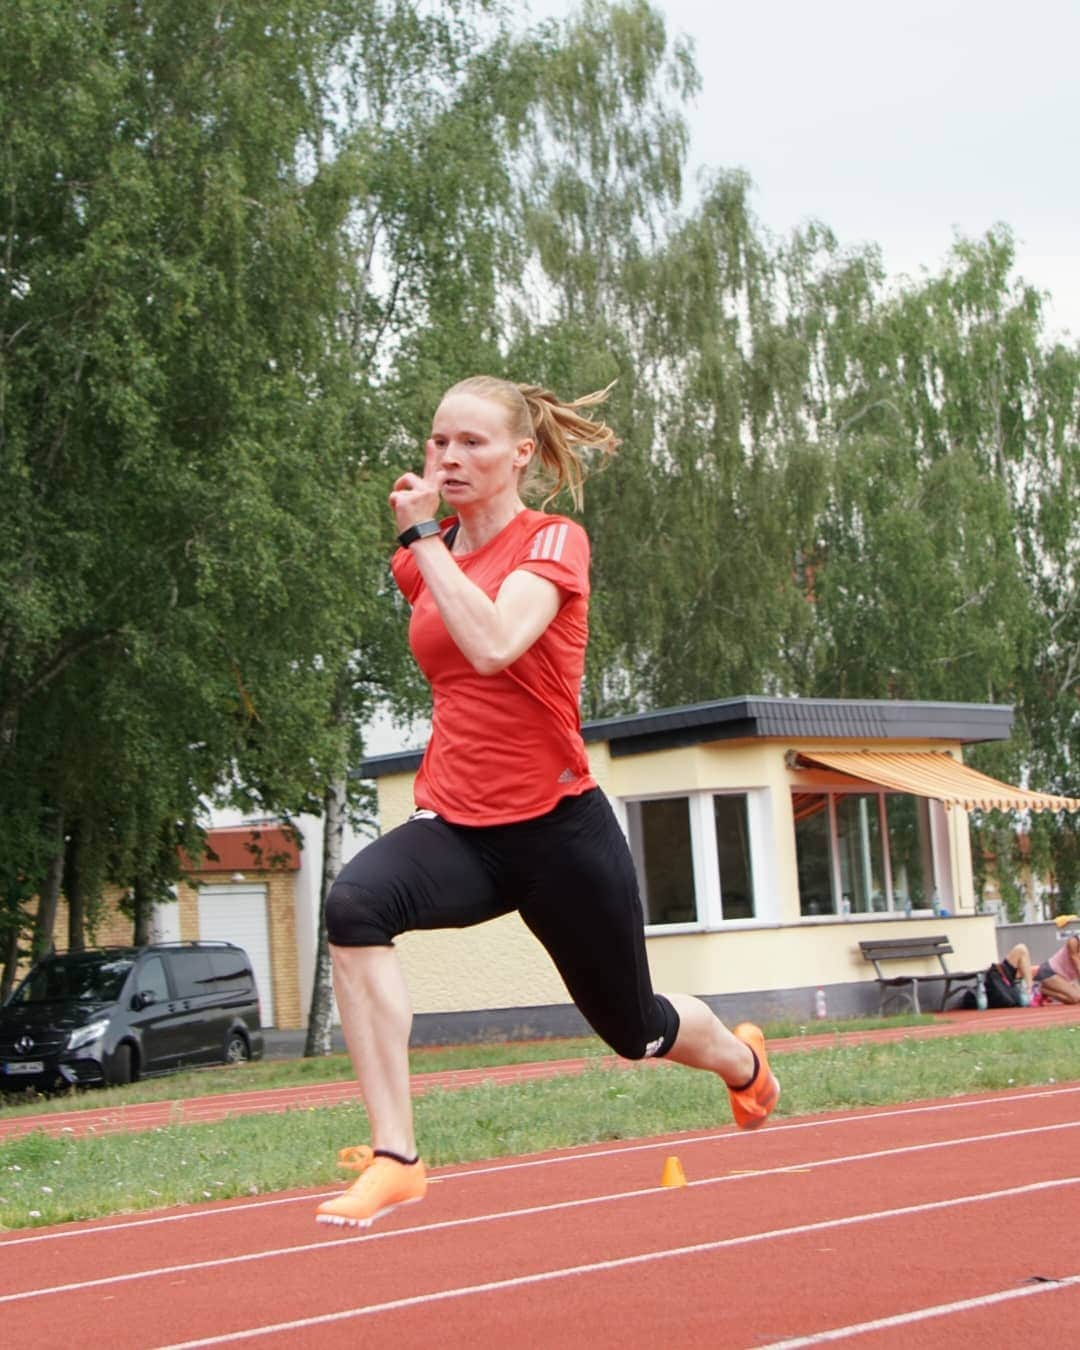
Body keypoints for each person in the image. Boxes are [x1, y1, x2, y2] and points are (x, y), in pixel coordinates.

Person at [315, 376, 780, 1229]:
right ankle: (396, 1157)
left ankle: (744, 1066)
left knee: (636, 1031)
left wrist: (425, 540)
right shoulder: (421, 559)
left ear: (521, 455)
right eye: (438, 441)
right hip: (458, 822)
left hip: (559, 830)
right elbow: (457, 664)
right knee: (355, 905)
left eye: (472, 443)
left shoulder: (555, 541)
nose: (449, 457)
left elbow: (492, 644)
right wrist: (427, 548)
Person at [1033, 916, 1080, 1005]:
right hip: (1050, 972)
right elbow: (1078, 967)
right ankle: (1040, 989)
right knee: (1075, 998)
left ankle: (1047, 991)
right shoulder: (1074, 942)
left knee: (1078, 999)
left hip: (1066, 977)